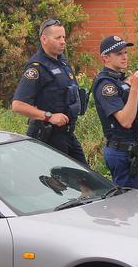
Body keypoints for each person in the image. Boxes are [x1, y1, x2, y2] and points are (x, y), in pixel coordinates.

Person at [12, 19, 88, 165]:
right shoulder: (37, 67)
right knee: (57, 184)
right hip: (49, 136)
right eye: (58, 38)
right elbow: (17, 105)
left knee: (86, 181)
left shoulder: (63, 62)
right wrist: (49, 116)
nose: (63, 42)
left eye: (64, 37)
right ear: (44, 39)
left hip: (68, 135)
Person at [91, 35, 138, 189]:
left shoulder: (122, 80)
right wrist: (133, 89)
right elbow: (125, 121)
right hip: (119, 151)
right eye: (119, 54)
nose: (125, 57)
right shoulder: (106, 85)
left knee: (134, 200)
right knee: (127, 203)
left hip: (131, 149)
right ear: (106, 58)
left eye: (125, 53)